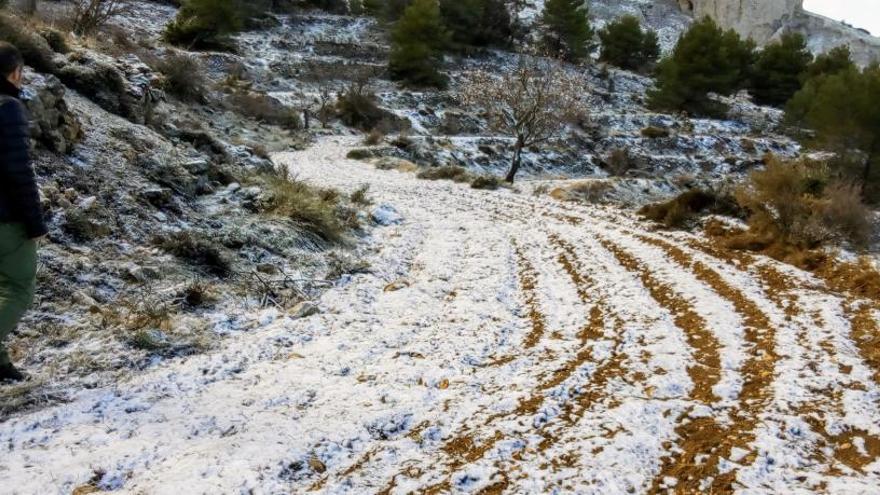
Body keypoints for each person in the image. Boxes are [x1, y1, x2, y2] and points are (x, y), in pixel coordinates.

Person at [0, 42, 46, 382]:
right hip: (5, 219)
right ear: (14, 72)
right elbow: (18, 170)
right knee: (18, 288)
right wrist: (35, 222)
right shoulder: (7, 107)